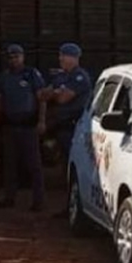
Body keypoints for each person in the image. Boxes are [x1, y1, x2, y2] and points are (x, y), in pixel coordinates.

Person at [0, 43, 46, 211]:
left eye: (17, 56)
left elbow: (41, 99)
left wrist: (41, 121)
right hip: (10, 126)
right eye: (11, 57)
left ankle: (38, 201)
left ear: (23, 57)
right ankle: (9, 197)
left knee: (34, 165)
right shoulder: (5, 77)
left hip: (28, 126)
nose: (14, 60)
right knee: (10, 165)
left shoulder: (31, 74)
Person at [41, 42, 92, 193]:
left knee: (74, 165)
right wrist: (57, 92)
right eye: (60, 56)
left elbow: (63, 98)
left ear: (73, 58)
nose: (60, 59)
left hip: (74, 128)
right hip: (62, 127)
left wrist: (55, 93)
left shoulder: (80, 76)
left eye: (64, 56)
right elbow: (42, 95)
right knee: (64, 165)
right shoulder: (61, 76)